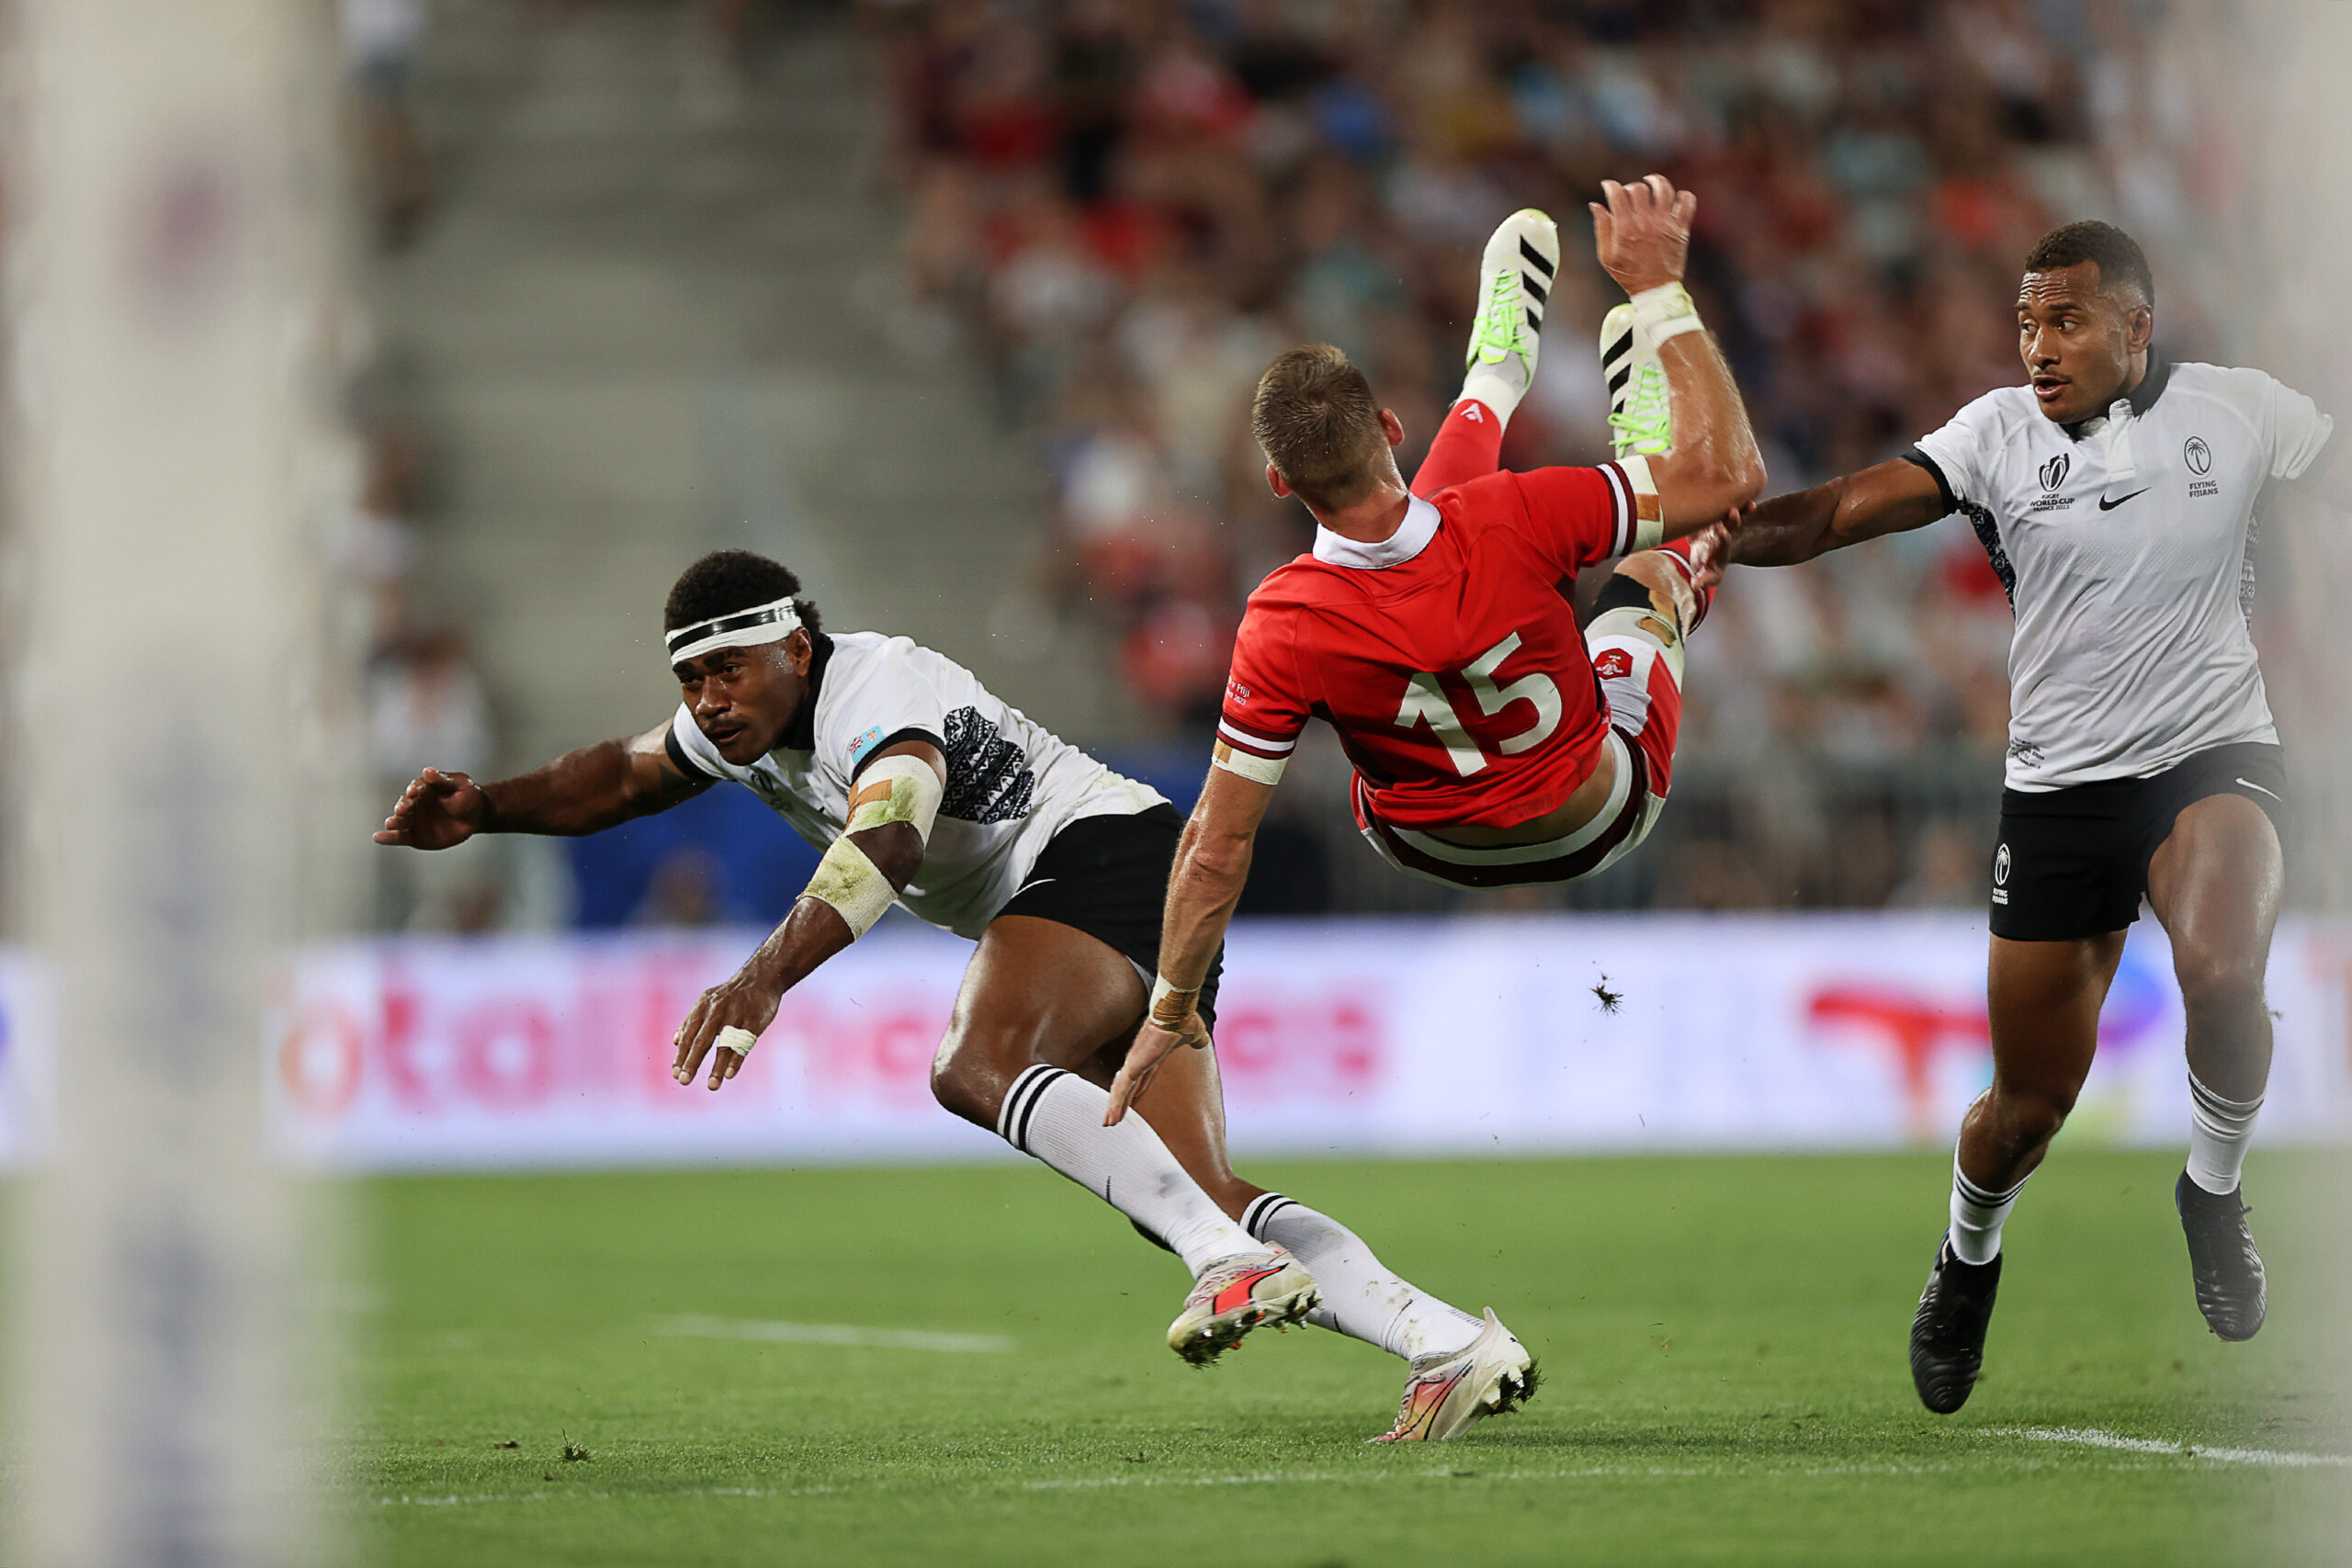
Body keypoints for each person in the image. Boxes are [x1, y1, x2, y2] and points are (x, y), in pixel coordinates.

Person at [374, 549, 1535, 1442]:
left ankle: (1226, 1263)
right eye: (690, 678)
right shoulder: (748, 720)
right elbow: (617, 779)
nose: (709, 698)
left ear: (795, 646)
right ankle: (1444, 1343)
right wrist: (486, 808)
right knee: (1201, 1189)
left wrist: (761, 977)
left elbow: (885, 840)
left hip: (1103, 856)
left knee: (972, 1067)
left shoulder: (877, 689)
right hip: (1134, 875)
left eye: (726, 670)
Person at [1719, 220, 2345, 1414]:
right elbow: (1840, 509)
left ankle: (2214, 1191)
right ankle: (1967, 1258)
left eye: (2064, 320)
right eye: (2025, 322)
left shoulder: (2241, 411)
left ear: (2136, 326)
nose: (2038, 346)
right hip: (2060, 794)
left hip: (2212, 751)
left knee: (2222, 971)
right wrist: (1702, 535)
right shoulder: (1993, 437)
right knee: (2024, 1111)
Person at [1107, 175, 1764, 1121]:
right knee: (1648, 583)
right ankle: (1595, 426)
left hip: (1424, 846)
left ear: (1278, 483)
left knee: (1453, 534)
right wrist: (1658, 289)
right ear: (1387, 429)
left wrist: (1168, 1005)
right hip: (1594, 813)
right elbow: (1733, 473)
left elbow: (1216, 842)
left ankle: (1494, 373)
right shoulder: (1518, 510)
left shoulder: (1278, 621)